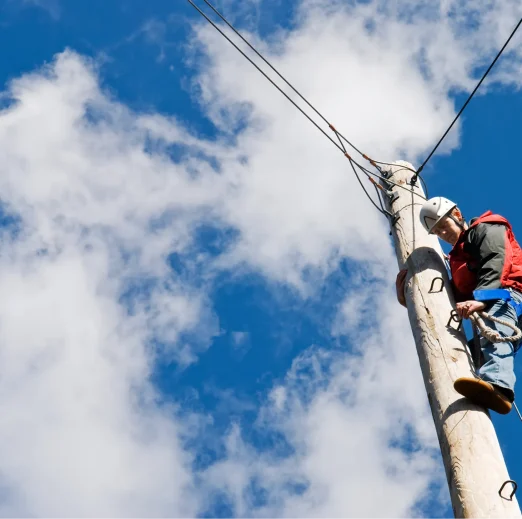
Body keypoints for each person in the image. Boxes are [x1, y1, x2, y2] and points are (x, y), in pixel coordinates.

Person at [396, 197, 522, 414]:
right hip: (495, 300)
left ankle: (499, 387)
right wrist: (410, 289)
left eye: (444, 226)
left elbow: (497, 260)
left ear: (456, 215)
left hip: (508, 297)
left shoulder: (485, 228)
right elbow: (452, 296)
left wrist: (482, 300)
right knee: (464, 356)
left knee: (494, 336)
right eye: (438, 232)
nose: (443, 234)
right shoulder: (458, 258)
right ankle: (474, 388)